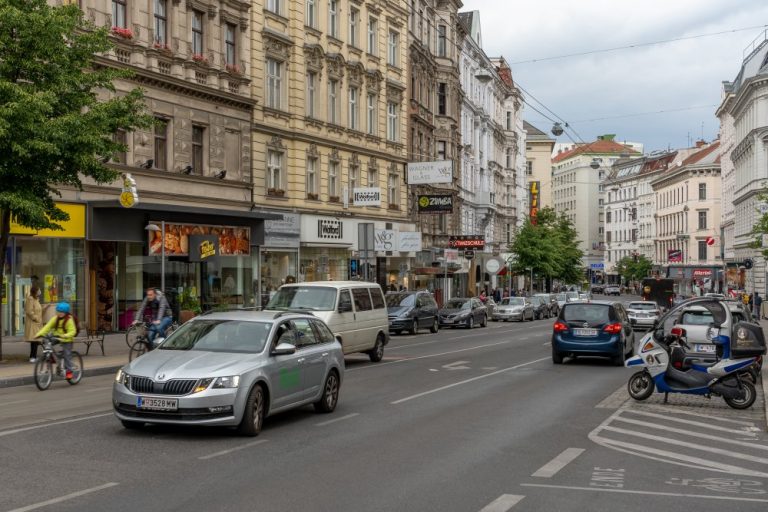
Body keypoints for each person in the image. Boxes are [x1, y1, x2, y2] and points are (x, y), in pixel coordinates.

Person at [35, 302, 77, 379]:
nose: (60, 313)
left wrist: (64, 336)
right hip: (57, 336)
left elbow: (73, 331)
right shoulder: (55, 318)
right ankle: (51, 357)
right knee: (47, 342)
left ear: (66, 312)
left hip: (66, 338)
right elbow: (47, 327)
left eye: (62, 312)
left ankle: (69, 371)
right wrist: (39, 334)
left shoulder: (69, 320)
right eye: (58, 311)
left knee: (67, 354)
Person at [24, 286, 43, 362]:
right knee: (34, 340)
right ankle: (32, 357)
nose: (39, 292)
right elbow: (29, 311)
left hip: (36, 323)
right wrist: (35, 318)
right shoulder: (30, 299)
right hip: (33, 323)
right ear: (35, 291)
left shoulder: (36, 299)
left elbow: (37, 310)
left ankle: (33, 356)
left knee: (36, 340)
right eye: (38, 290)